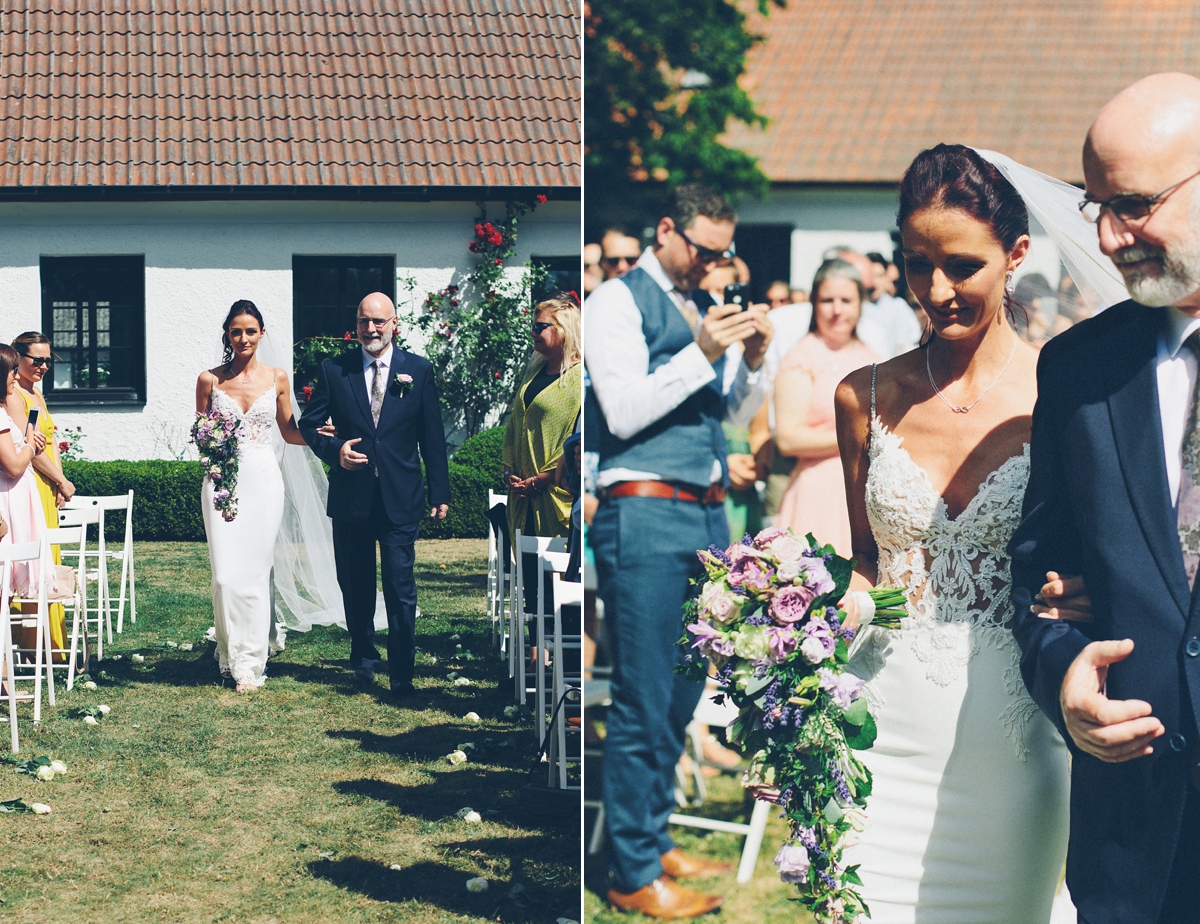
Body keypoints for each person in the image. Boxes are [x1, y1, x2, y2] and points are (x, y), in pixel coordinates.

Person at [833, 144, 1073, 922]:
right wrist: (810, 628)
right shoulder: (862, 394)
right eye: (915, 265)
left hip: (1012, 746)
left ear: (1016, 256)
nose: (935, 291)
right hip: (877, 736)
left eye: (962, 266)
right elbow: (866, 558)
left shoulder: (1066, 397)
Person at [1009, 72, 1200, 924]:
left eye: (1134, 204)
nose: (1111, 236)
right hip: (1134, 845)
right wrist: (1065, 682)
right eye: (1096, 207)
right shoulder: (1080, 368)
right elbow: (1036, 583)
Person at [586, 182, 772, 918]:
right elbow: (623, 408)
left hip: (705, 516)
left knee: (684, 692)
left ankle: (652, 836)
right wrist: (700, 351)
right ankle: (630, 872)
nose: (714, 264)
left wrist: (754, 360)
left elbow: (728, 411)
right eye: (704, 249)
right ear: (667, 230)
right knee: (641, 697)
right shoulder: (615, 302)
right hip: (644, 512)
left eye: (724, 252)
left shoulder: (700, 301)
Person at [299, 292, 450, 701]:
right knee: (356, 583)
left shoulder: (417, 370)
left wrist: (440, 489)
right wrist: (337, 451)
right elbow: (309, 426)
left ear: (394, 323)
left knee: (401, 586)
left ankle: (402, 671)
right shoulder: (335, 370)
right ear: (357, 324)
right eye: (365, 321)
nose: (371, 329)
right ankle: (363, 658)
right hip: (352, 498)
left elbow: (431, 435)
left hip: (401, 497)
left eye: (379, 322)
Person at [195, 302, 309, 691]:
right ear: (227, 335)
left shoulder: (278, 377)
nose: (243, 338)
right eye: (236, 332)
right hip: (222, 482)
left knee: (256, 573)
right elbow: (202, 435)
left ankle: (249, 662)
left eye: (250, 331)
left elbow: (289, 431)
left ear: (262, 333)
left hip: (263, 480)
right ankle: (229, 649)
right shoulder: (208, 380)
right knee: (226, 575)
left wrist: (321, 433)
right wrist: (215, 455)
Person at [774, 259, 880, 555]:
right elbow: (787, 438)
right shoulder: (801, 357)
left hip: (868, 493)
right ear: (813, 304)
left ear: (860, 303)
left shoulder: (874, 359)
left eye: (846, 300)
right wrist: (856, 438)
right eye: (827, 300)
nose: (837, 310)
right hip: (817, 493)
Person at [503, 293, 583, 597]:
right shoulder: (534, 373)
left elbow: (576, 436)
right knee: (531, 588)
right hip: (523, 496)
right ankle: (536, 646)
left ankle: (558, 643)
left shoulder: (578, 379)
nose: (533, 333)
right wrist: (509, 469)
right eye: (533, 326)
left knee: (558, 588)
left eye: (540, 327)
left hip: (555, 495)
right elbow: (515, 425)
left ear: (563, 330)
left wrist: (546, 477)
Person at [8, 332, 75, 660]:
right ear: (17, 357)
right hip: (31, 485)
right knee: (34, 566)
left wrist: (59, 483)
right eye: (37, 359)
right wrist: (59, 479)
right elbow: (30, 450)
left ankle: (52, 644)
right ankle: (35, 647)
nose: (44, 366)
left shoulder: (35, 392)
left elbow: (48, 441)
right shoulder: (15, 396)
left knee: (50, 562)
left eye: (49, 360)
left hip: (47, 486)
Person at [0, 344, 47, 605]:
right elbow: (14, 466)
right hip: (7, 501)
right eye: (12, 371)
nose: (16, 377)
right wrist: (30, 444)